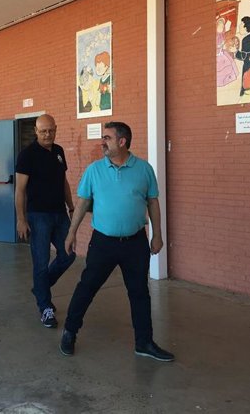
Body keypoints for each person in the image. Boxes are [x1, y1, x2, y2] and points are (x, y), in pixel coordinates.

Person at [59, 121, 174, 362]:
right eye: (103, 137)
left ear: (122, 142)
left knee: (139, 292)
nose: (103, 142)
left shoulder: (144, 169)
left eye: (107, 138)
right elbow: (82, 203)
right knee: (87, 287)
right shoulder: (94, 170)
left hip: (135, 243)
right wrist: (71, 233)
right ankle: (70, 331)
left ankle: (144, 342)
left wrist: (157, 234)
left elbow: (153, 202)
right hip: (103, 243)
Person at [15, 114, 75, 328]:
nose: (47, 134)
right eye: (43, 131)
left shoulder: (58, 151)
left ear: (56, 129)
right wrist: (21, 219)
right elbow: (20, 190)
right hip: (38, 216)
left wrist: (71, 206)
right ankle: (45, 307)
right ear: (36, 131)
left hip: (60, 214)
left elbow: (64, 182)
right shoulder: (27, 155)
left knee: (68, 255)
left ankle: (40, 288)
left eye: (51, 130)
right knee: (40, 262)